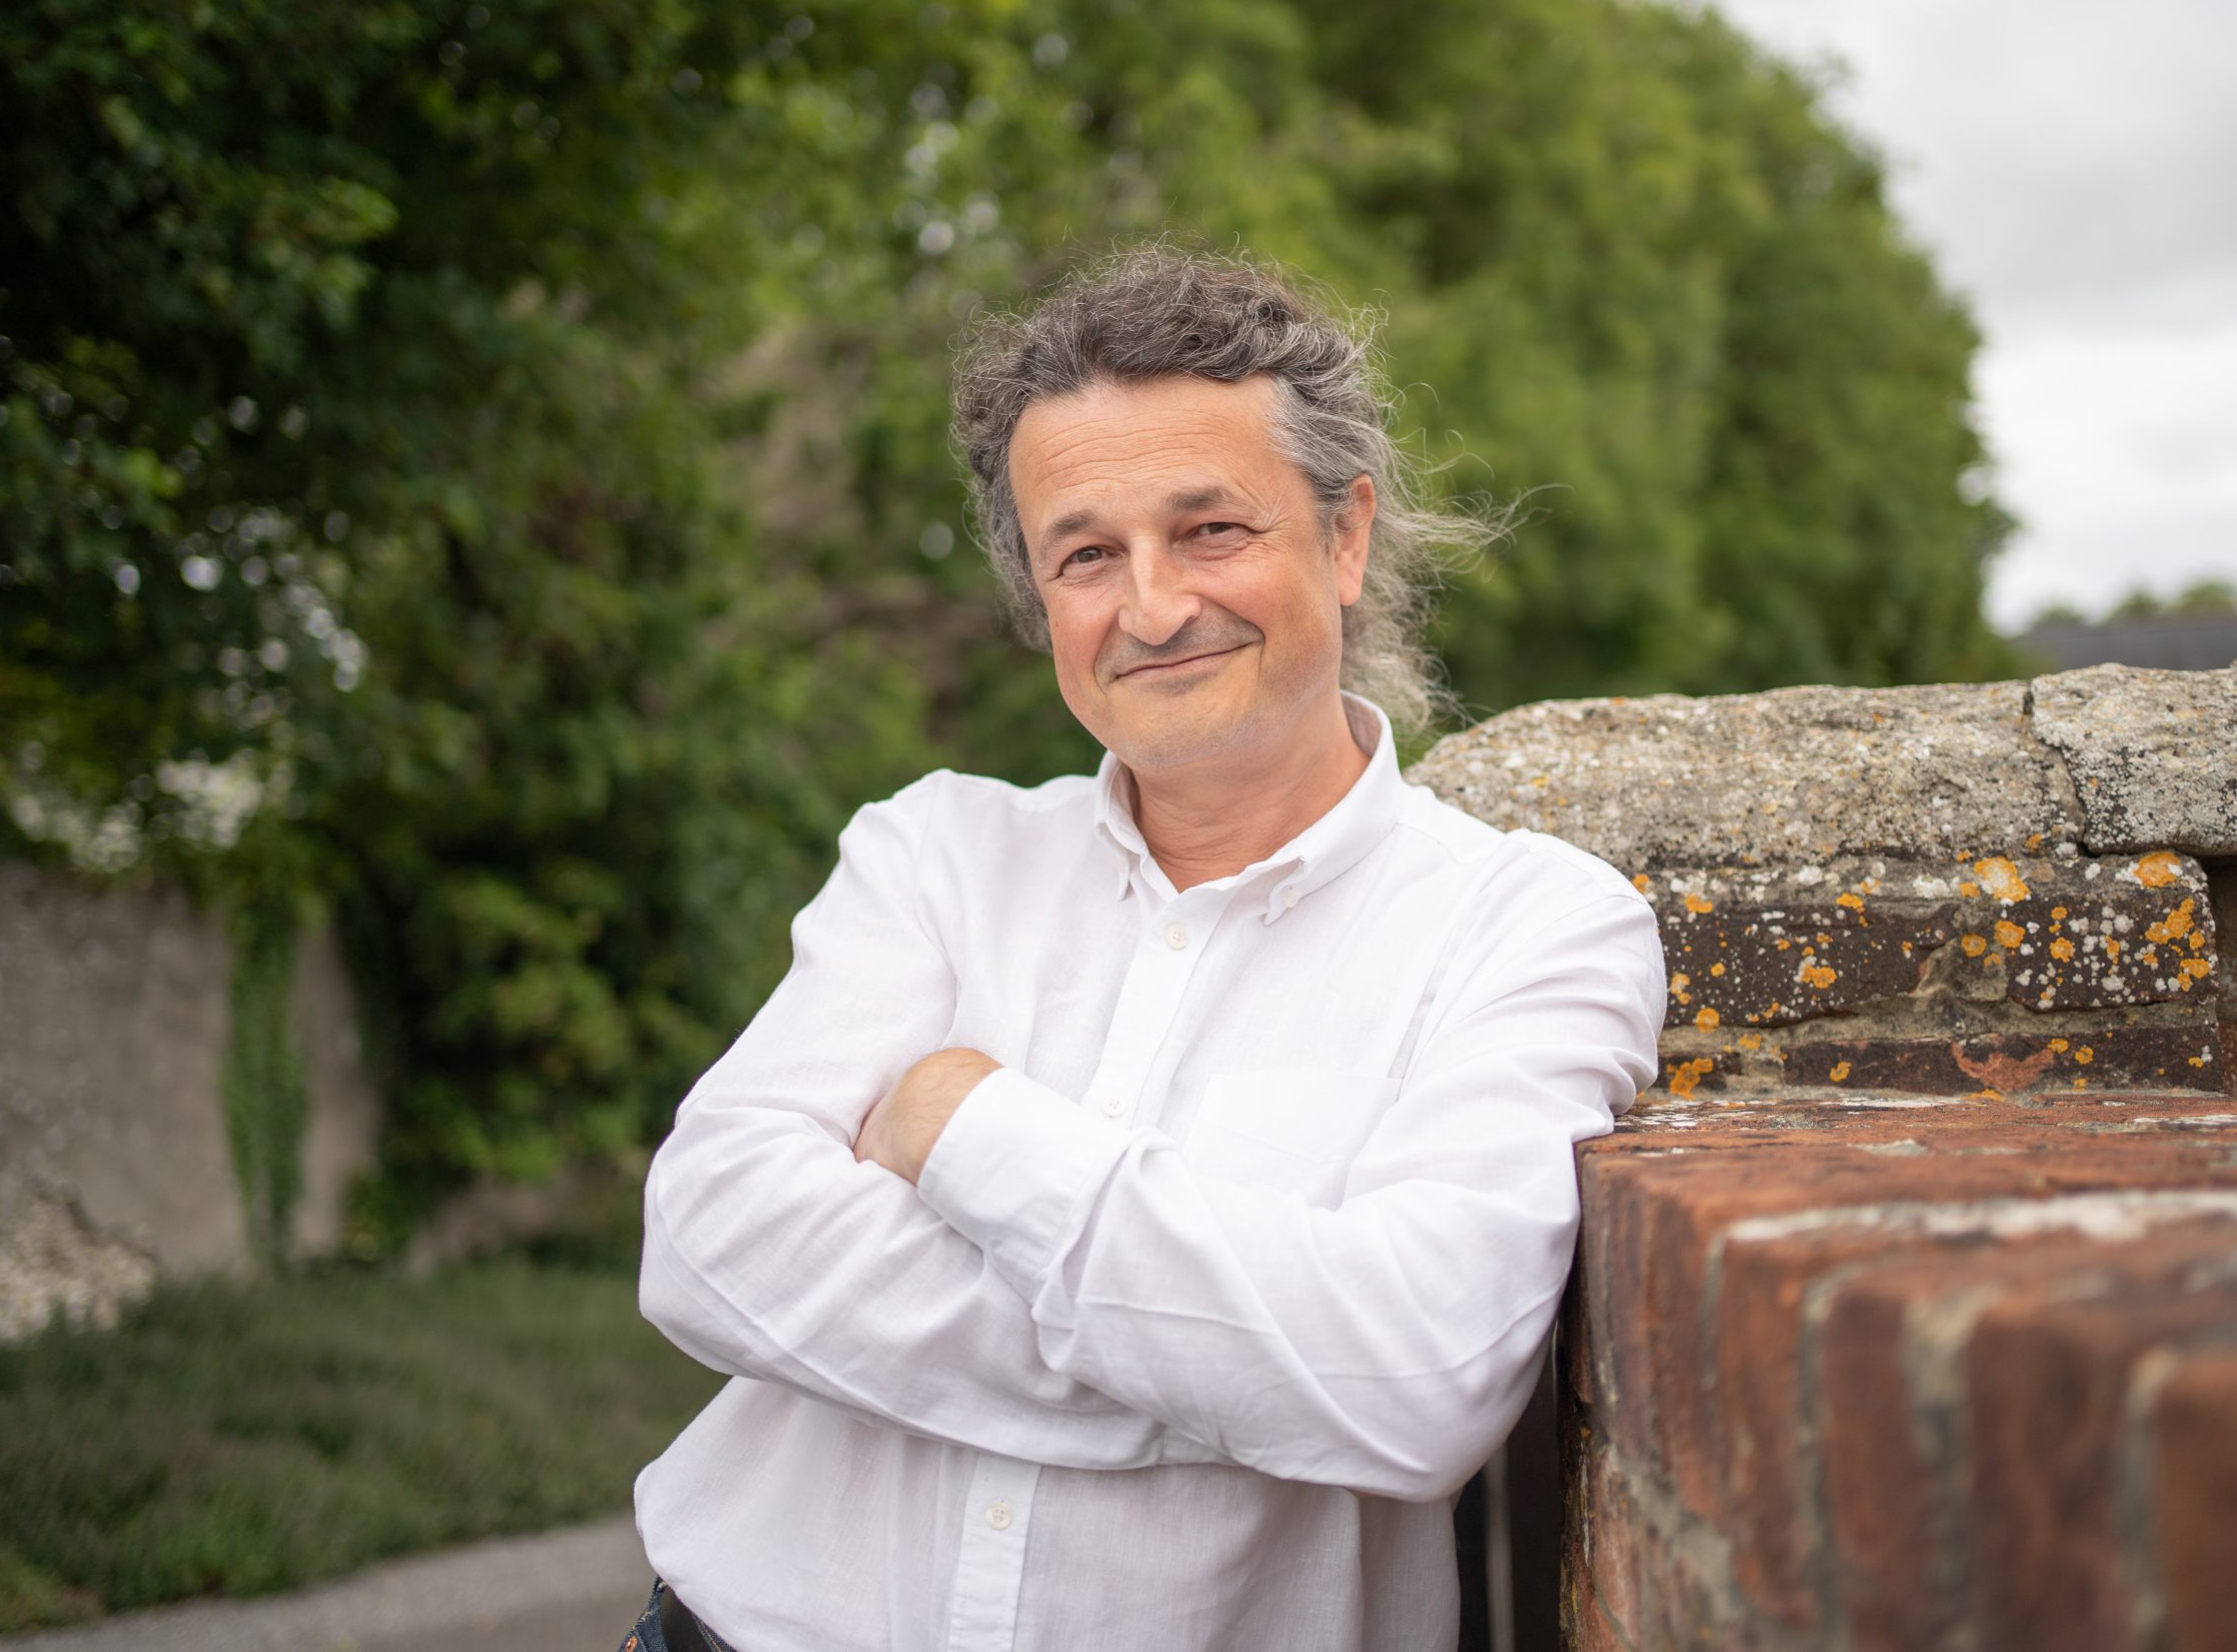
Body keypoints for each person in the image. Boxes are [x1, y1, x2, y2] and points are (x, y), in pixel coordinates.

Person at [622, 246, 1665, 1652]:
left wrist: (963, 1122)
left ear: (1345, 538)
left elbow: (1414, 1380)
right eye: (1088, 554)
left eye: (1212, 529)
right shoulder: (935, 854)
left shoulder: (1529, 927)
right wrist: (1235, 1385)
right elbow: (708, 1237)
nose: (1155, 606)